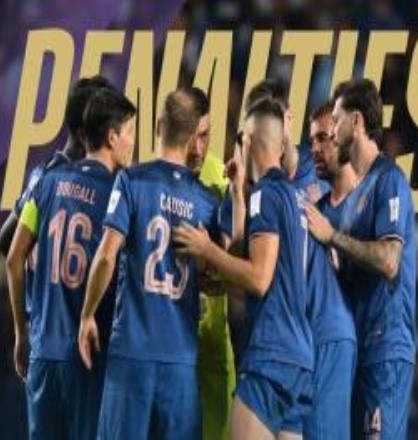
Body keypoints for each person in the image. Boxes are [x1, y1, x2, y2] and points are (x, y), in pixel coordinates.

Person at [78, 88, 220, 439]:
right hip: (181, 360)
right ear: (193, 138)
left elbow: (107, 255)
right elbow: (217, 272)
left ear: (159, 126)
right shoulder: (206, 201)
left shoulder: (131, 180)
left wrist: (87, 315)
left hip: (132, 354)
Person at [173, 99, 314, 440]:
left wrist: (206, 249)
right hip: (299, 360)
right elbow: (273, 278)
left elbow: (259, 278)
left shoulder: (265, 194)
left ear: (248, 141)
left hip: (270, 354)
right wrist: (237, 194)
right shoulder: (294, 197)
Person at [5, 85, 136, 440]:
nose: (132, 142)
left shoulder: (47, 182)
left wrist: (21, 332)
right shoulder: (118, 194)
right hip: (87, 355)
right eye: (129, 132)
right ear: (111, 137)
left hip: (43, 351)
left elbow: (13, 257)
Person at [305, 79, 416, 439]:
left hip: (385, 347)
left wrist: (332, 237)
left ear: (356, 122)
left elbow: (389, 261)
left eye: (336, 120)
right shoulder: (356, 194)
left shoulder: (389, 179)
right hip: (358, 350)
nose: (332, 130)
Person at [295, 102, 357, 439]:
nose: (315, 149)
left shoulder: (370, 199)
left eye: (323, 138)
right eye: (311, 141)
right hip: (313, 340)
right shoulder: (315, 210)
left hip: (341, 338)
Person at [185, 87, 236, 440]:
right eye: (192, 136)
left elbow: (242, 256)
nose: (198, 147)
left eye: (205, 136)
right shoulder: (151, 178)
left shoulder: (221, 175)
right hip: (172, 343)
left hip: (215, 339)